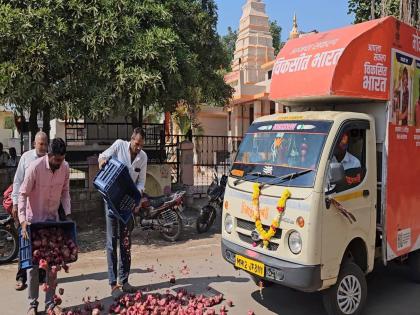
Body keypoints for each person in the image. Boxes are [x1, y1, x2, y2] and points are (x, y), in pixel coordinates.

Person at [19, 138, 71, 315]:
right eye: (57, 160)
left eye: (62, 159)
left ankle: (50, 303)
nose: (59, 163)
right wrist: (22, 219)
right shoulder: (35, 167)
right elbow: (23, 193)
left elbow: (65, 193)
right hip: (34, 223)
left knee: (53, 265)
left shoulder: (65, 168)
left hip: (53, 222)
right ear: (49, 155)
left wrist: (68, 216)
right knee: (34, 268)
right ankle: (32, 304)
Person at [98, 128, 148, 298]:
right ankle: (113, 284)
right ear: (131, 139)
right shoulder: (119, 145)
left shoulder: (143, 157)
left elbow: (141, 183)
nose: (138, 147)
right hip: (111, 202)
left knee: (125, 242)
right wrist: (103, 161)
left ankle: (124, 281)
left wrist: (137, 196)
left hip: (127, 203)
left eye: (141, 145)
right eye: (136, 143)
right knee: (112, 243)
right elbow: (102, 156)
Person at [12, 132, 48, 291]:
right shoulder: (26, 158)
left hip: (42, 209)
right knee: (24, 243)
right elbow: (18, 181)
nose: (43, 147)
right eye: (40, 144)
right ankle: (21, 276)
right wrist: (14, 203)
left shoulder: (49, 160)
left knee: (42, 243)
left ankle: (40, 276)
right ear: (34, 143)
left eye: (45, 144)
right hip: (25, 208)